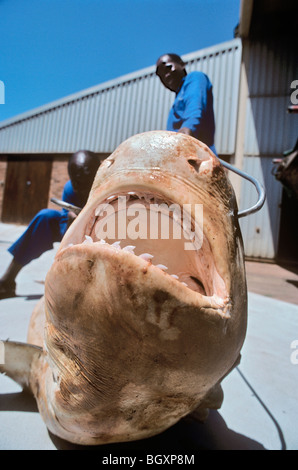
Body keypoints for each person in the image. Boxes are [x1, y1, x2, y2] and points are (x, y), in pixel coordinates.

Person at [0, 150, 100, 299]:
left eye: (85, 182)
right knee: (45, 218)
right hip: (77, 228)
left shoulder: (110, 186)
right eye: (76, 182)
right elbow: (68, 232)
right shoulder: (70, 189)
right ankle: (8, 281)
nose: (80, 188)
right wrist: (72, 221)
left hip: (105, 228)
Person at [156, 53, 217, 155]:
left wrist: (187, 129)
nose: (166, 76)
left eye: (168, 68)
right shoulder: (178, 96)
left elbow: (194, 107)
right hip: (179, 156)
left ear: (182, 64)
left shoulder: (195, 78)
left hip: (197, 158)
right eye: (161, 75)